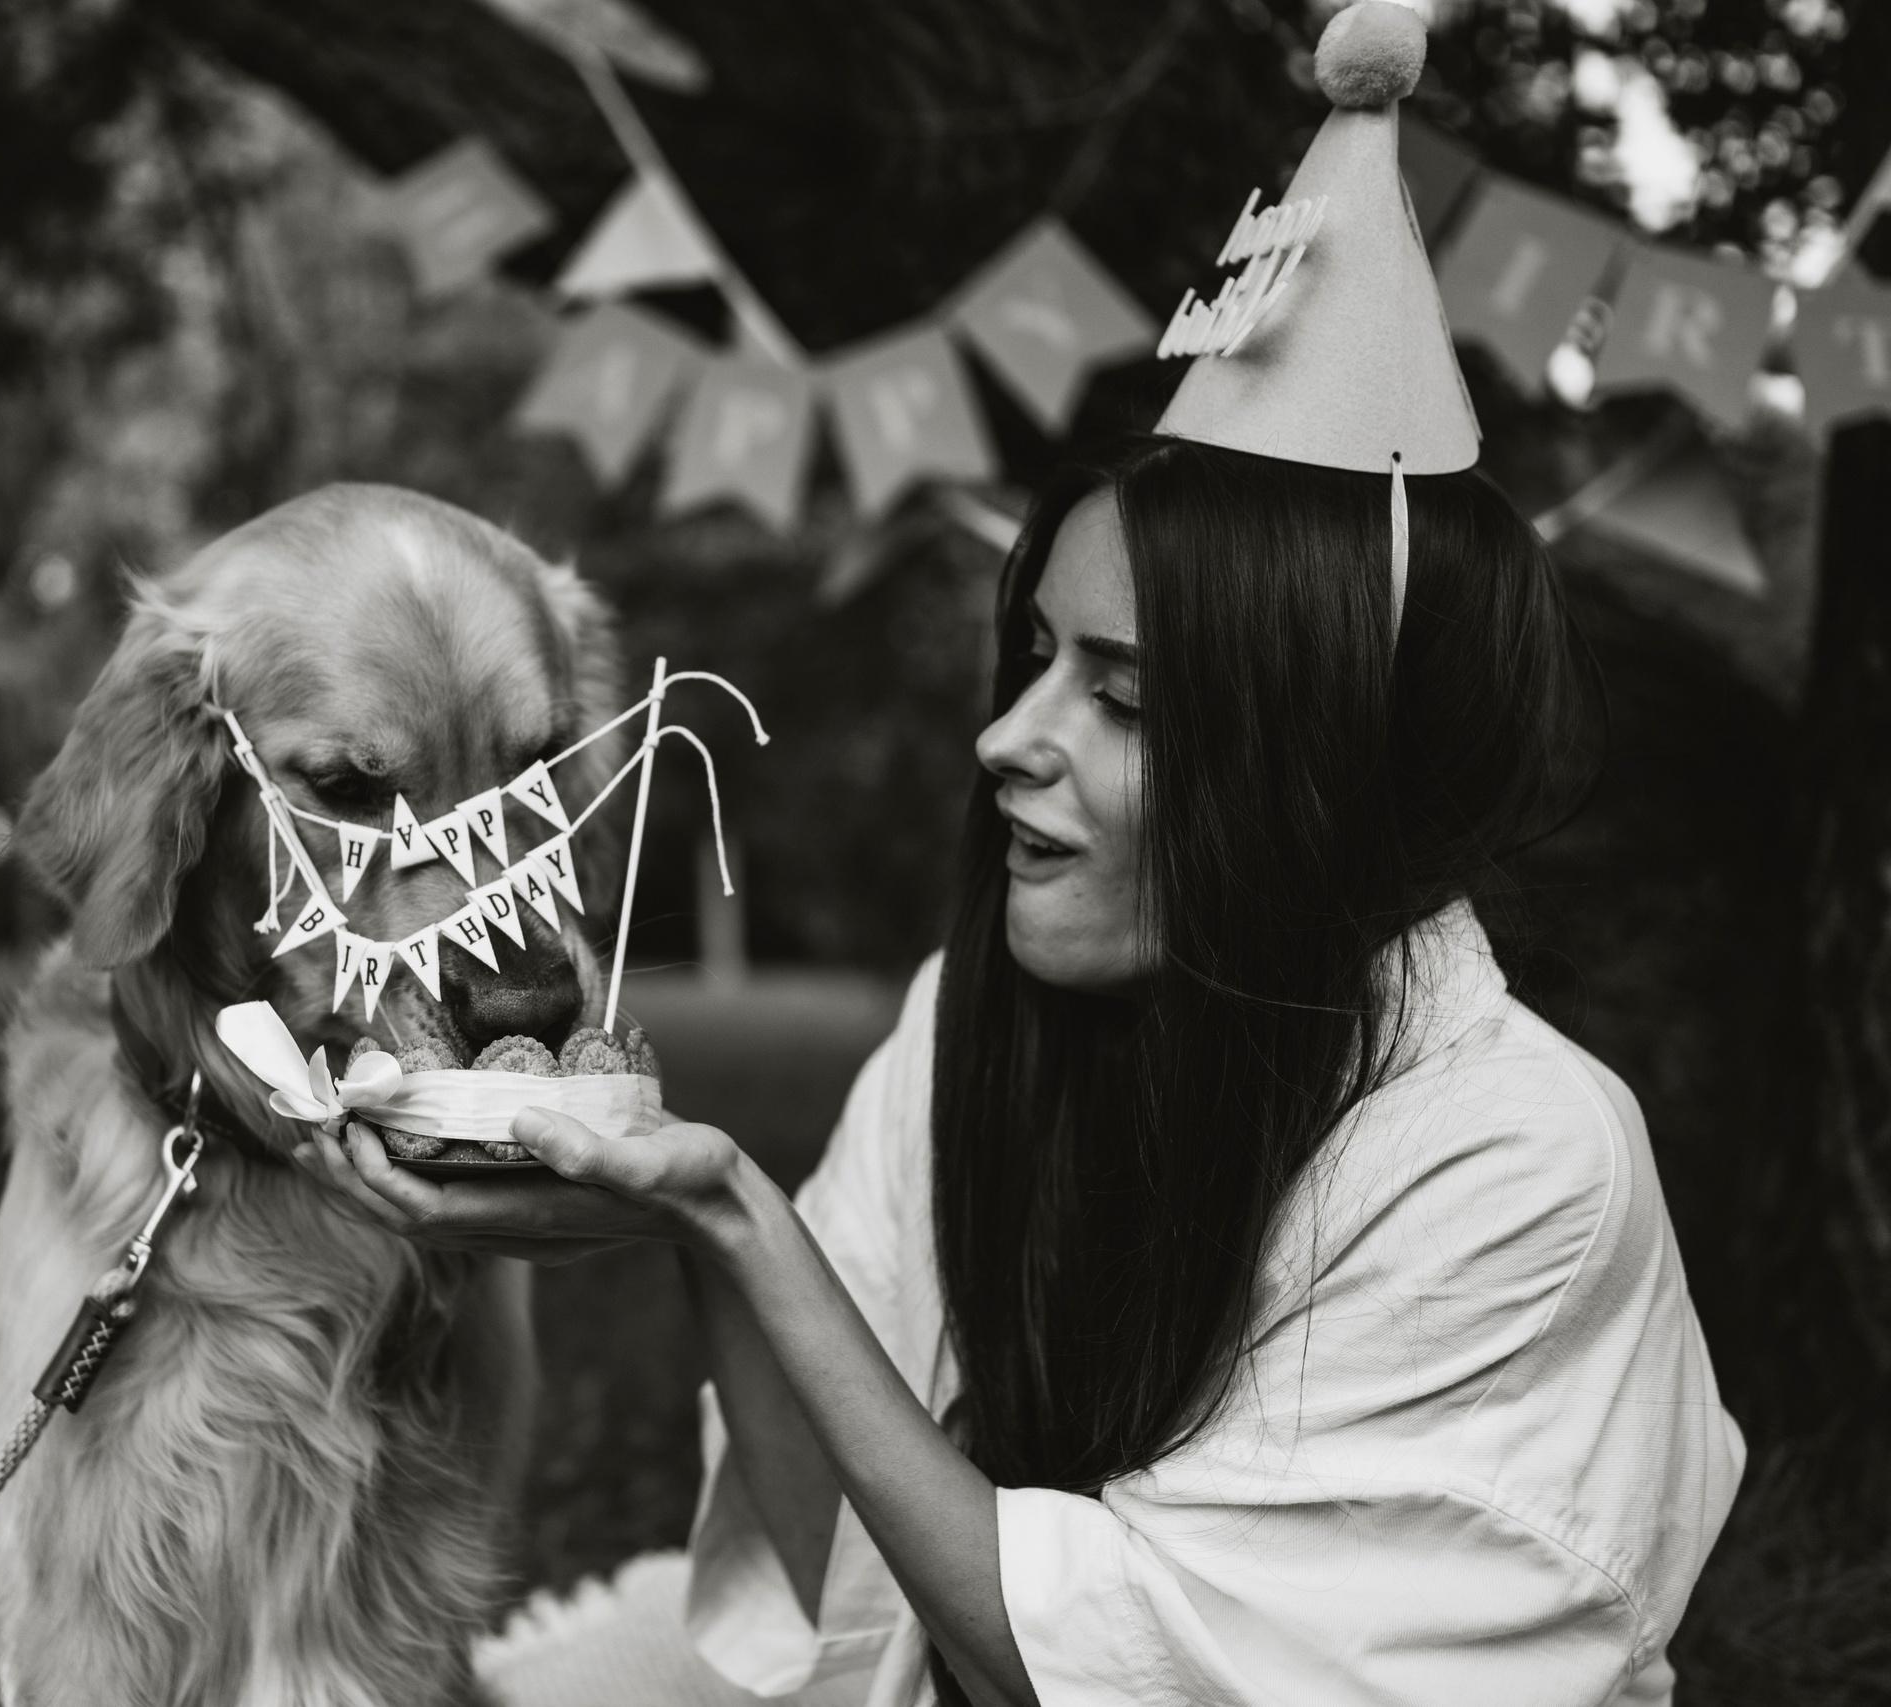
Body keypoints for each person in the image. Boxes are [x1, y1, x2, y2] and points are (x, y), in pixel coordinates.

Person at [294, 6, 1742, 1705]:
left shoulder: (1518, 1170)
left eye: (1119, 695)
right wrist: (688, 1229)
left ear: (1317, 770)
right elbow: (838, 1557)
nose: (1007, 739)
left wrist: (738, 1217)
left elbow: (1135, 1671)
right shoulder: (968, 1023)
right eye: (1034, 659)